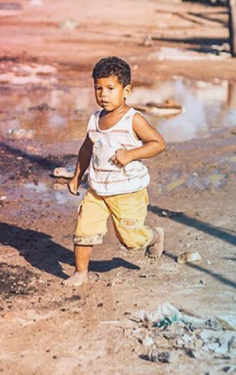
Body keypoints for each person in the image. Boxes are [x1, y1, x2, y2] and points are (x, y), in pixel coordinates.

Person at [64, 56, 167, 287]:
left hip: (128, 191)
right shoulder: (94, 120)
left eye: (110, 88)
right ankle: (81, 272)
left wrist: (130, 155)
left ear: (126, 90)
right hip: (98, 189)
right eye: (98, 88)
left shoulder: (134, 120)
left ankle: (155, 236)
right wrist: (76, 176)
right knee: (83, 230)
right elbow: (86, 149)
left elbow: (158, 143)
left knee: (130, 240)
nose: (103, 94)